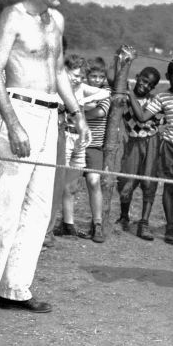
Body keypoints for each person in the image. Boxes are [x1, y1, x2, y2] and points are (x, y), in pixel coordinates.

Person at [0, 0, 89, 325]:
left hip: (51, 117)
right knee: (5, 208)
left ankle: (15, 289)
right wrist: (12, 124)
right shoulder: (13, 16)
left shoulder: (58, 20)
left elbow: (59, 70)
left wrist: (76, 113)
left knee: (37, 211)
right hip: (19, 112)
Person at [129, 58, 173, 245]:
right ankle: (169, 225)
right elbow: (143, 117)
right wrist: (130, 93)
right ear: (168, 77)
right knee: (168, 187)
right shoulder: (162, 98)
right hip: (169, 147)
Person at [52, 55, 109, 239]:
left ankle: (68, 225)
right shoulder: (58, 87)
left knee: (71, 185)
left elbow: (105, 93)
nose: (77, 79)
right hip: (64, 135)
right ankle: (50, 226)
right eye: (74, 75)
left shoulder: (81, 88)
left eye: (81, 77)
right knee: (56, 182)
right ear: (65, 72)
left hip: (80, 140)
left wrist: (83, 102)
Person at [117, 66, 161, 241]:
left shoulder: (154, 101)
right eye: (143, 80)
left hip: (151, 142)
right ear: (137, 77)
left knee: (149, 180)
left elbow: (141, 116)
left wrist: (130, 93)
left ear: (153, 87)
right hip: (133, 142)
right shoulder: (125, 97)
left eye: (150, 84)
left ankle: (144, 222)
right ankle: (124, 216)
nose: (145, 85)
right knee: (126, 179)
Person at [79, 57, 112, 243]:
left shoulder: (106, 91)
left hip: (94, 145)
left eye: (100, 76)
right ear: (87, 75)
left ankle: (97, 223)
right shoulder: (81, 87)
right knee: (69, 185)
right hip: (77, 141)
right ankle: (66, 223)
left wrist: (78, 111)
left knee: (93, 181)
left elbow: (101, 112)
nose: (97, 80)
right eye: (93, 76)